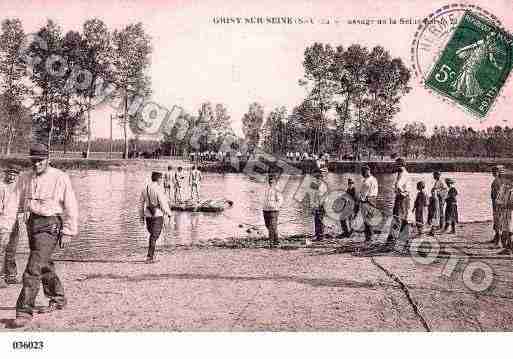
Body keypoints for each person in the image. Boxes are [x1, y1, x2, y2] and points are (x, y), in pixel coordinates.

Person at [12, 143, 79, 328]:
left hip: (51, 225)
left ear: (48, 159)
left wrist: (68, 231)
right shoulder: (24, 178)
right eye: (33, 161)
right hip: (32, 223)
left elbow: (71, 205)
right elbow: (13, 202)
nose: (36, 165)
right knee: (44, 264)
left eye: (40, 161)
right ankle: (58, 298)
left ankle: (24, 311)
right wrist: (6, 226)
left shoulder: (60, 177)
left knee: (33, 267)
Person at [139, 172, 172, 263]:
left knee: (152, 235)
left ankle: (151, 255)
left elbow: (141, 204)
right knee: (154, 236)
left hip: (148, 215)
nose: (162, 180)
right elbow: (163, 203)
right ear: (158, 179)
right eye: (161, 178)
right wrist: (169, 213)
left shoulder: (144, 188)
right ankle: (150, 257)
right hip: (157, 215)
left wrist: (141, 216)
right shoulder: (158, 189)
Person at [0, 165, 22, 288]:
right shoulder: (1, 187)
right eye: (10, 173)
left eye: (15, 174)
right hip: (3, 222)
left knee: (12, 249)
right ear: (5, 174)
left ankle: (11, 275)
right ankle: (0, 277)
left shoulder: (17, 188)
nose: (12, 176)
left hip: (14, 222)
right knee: (1, 250)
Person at [389, 158, 411, 243]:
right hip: (403, 197)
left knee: (397, 217)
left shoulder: (403, 174)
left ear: (401, 165)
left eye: (397, 165)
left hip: (402, 198)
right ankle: (402, 237)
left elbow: (398, 185)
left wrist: (399, 190)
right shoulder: (402, 173)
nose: (395, 166)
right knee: (401, 217)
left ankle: (394, 237)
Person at [358, 164, 379, 242]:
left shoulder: (366, 181)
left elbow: (363, 194)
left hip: (367, 201)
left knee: (367, 220)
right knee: (370, 218)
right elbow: (375, 191)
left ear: (366, 172)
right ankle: (370, 237)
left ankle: (369, 238)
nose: (362, 174)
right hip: (373, 200)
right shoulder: (374, 179)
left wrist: (360, 199)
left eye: (363, 172)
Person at [262, 174, 283, 248]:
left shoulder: (277, 190)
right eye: (270, 181)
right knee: (268, 226)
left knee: (272, 227)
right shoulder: (266, 189)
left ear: (275, 182)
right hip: (265, 210)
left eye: (272, 182)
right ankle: (276, 240)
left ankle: (271, 243)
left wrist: (275, 206)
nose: (271, 183)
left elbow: (280, 201)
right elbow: (264, 199)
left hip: (274, 211)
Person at [490, 165, 505, 245]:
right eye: (493, 172)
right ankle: (496, 236)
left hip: (498, 203)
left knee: (498, 219)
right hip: (496, 202)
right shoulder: (498, 181)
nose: (493, 173)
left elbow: (498, 193)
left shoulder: (498, 181)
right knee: (497, 219)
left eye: (495, 172)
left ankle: (498, 238)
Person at [311, 173, 325, 242]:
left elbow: (322, 198)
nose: (317, 180)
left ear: (321, 179)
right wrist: (313, 207)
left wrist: (320, 206)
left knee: (320, 221)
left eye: (319, 179)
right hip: (317, 206)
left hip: (321, 206)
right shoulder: (316, 187)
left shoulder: (323, 187)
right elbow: (314, 198)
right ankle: (317, 234)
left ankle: (321, 236)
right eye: (317, 179)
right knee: (316, 221)